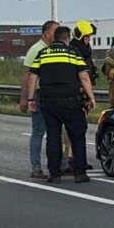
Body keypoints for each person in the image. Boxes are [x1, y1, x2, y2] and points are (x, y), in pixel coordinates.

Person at [27, 25, 96, 184]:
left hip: (49, 102)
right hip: (71, 101)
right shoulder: (73, 53)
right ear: (67, 39)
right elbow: (84, 77)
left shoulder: (42, 53)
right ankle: (79, 173)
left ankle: (55, 175)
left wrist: (31, 99)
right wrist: (91, 97)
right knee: (77, 136)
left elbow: (32, 77)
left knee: (53, 136)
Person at [20, 21, 70, 179]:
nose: (58, 33)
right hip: (39, 95)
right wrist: (25, 99)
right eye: (55, 31)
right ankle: (36, 167)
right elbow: (27, 76)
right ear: (47, 33)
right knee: (38, 131)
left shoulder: (53, 49)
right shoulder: (36, 50)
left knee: (54, 131)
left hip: (52, 96)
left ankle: (62, 164)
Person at [64, 21, 98, 167]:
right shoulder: (72, 50)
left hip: (82, 94)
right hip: (72, 94)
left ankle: (78, 158)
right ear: (79, 36)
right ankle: (68, 158)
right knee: (70, 127)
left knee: (81, 127)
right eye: (87, 37)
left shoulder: (85, 51)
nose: (89, 39)